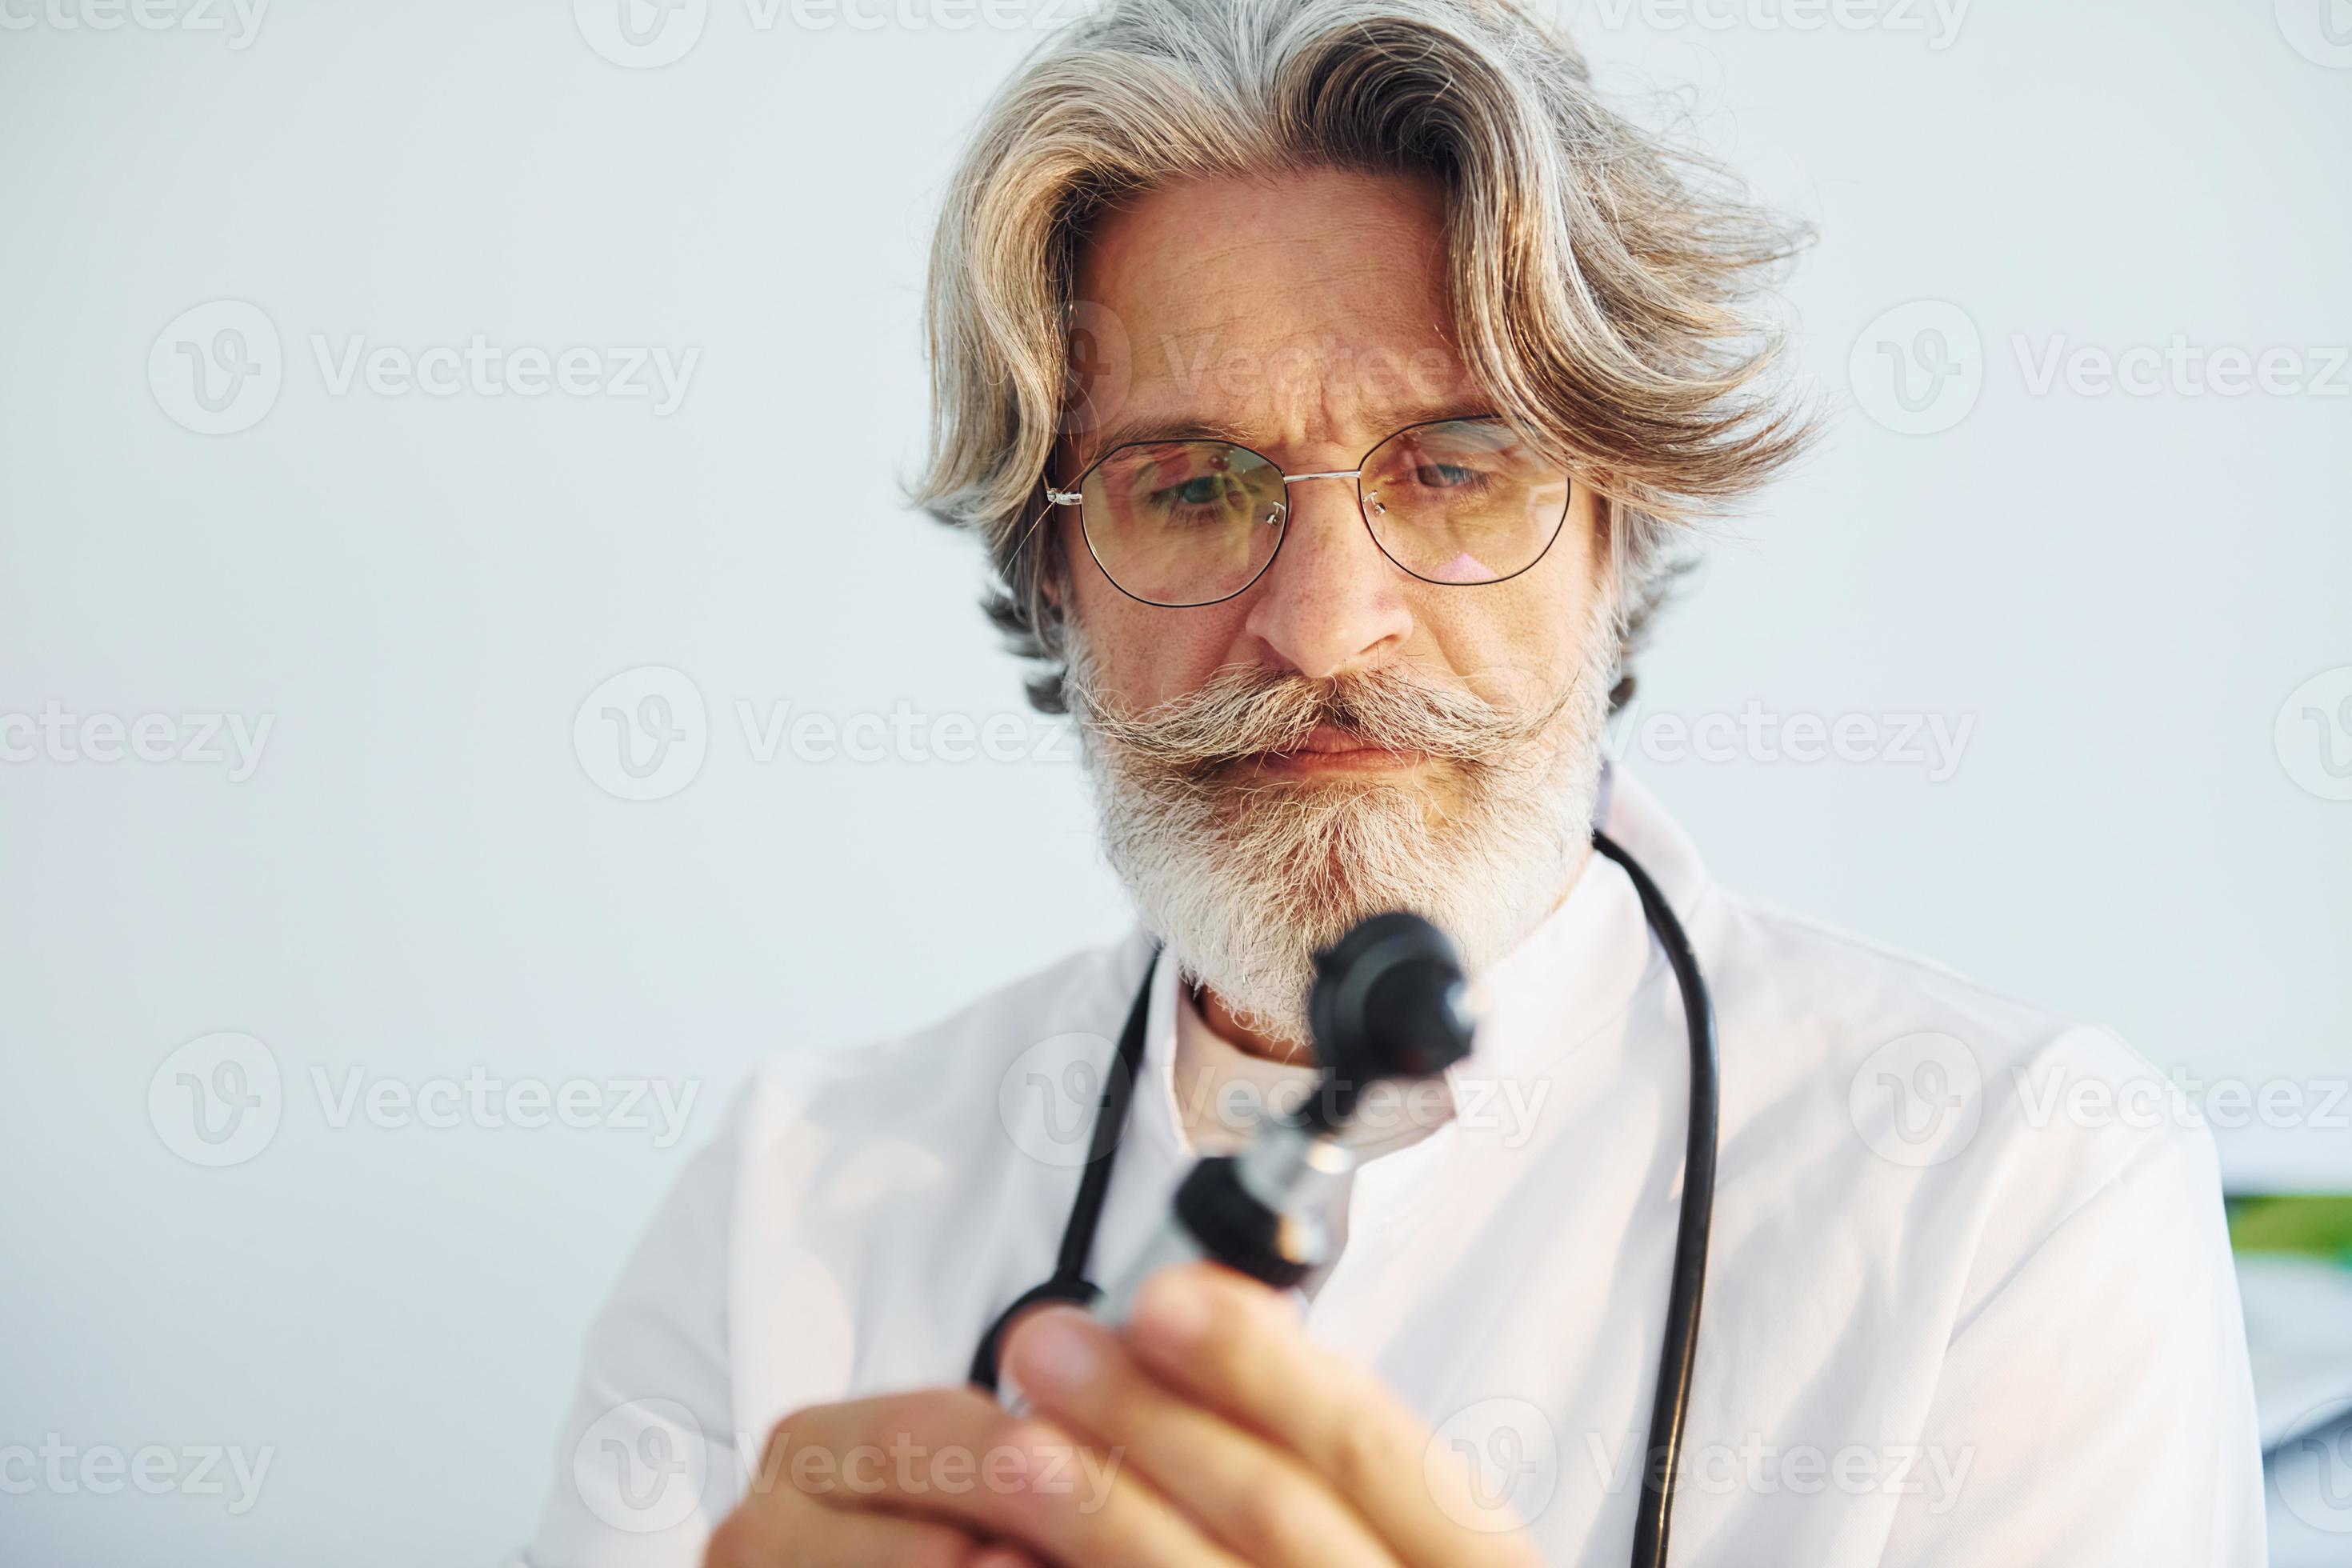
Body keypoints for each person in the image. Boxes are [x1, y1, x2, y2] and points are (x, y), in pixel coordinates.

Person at [518, 1, 2265, 1562]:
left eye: (1452, 469)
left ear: (1616, 538)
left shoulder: (2016, 1187)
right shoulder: (794, 1199)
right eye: (1191, 486)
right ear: (1054, 571)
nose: (1326, 625)